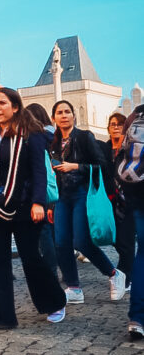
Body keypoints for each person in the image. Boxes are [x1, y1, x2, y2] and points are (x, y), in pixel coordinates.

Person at [0, 89, 66, 331]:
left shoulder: (32, 135)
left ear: (15, 107)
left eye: (2, 103)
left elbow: (39, 170)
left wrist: (38, 202)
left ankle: (55, 302)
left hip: (25, 206)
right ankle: (0, 316)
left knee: (31, 258)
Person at [50, 99, 126, 303]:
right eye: (60, 112)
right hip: (61, 197)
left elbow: (103, 166)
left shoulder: (84, 137)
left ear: (74, 115)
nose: (64, 115)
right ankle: (74, 288)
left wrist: (76, 167)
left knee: (81, 241)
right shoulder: (54, 143)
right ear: (54, 118)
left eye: (67, 111)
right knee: (61, 242)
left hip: (82, 193)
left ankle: (114, 274)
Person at [115, 103, 144, 339]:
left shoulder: (136, 114)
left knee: (142, 254)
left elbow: (122, 155)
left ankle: (137, 318)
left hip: (137, 192)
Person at [99, 111, 135, 290]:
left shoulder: (130, 148)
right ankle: (127, 271)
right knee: (115, 238)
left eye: (119, 124)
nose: (116, 127)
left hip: (128, 199)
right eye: (112, 124)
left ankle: (126, 277)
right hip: (108, 201)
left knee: (126, 240)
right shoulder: (103, 149)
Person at [26, 101, 59, 276]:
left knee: (45, 232)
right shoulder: (55, 135)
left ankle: (50, 271)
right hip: (57, 187)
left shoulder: (36, 137)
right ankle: (58, 269)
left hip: (42, 190)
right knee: (55, 233)